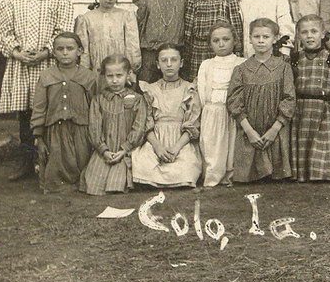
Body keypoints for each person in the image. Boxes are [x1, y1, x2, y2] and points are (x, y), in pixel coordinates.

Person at [0, 0, 74, 180]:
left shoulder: (59, 1)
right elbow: (4, 35)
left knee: (51, 113)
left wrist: (44, 52)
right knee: (26, 116)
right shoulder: (10, 3)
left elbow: (63, 31)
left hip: (48, 64)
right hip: (21, 66)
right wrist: (18, 53)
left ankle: (51, 163)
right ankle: (27, 163)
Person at [227, 18, 295, 183]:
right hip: (250, 130)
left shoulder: (283, 67)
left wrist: (274, 129)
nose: (261, 40)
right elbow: (234, 103)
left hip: (275, 130)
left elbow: (289, 99)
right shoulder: (241, 70)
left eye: (266, 36)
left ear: (275, 39)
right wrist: (249, 132)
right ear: (249, 39)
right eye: (256, 36)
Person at [30, 32, 97, 193]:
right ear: (54, 52)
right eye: (60, 49)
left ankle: (80, 186)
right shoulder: (47, 76)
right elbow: (39, 107)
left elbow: (95, 105)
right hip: (55, 130)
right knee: (56, 160)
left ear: (79, 51)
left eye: (70, 48)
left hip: (81, 129)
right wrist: (38, 134)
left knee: (81, 159)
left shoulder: (88, 76)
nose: (65, 52)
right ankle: (56, 187)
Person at [131, 44, 203, 189]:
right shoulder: (150, 89)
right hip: (156, 139)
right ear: (158, 64)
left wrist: (176, 148)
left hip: (181, 139)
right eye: (164, 60)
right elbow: (147, 122)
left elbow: (192, 123)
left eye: (174, 60)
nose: (169, 64)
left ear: (181, 63)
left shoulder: (189, 89)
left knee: (187, 167)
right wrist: (157, 147)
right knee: (142, 163)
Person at [79, 54, 147, 195]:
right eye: (110, 76)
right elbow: (94, 128)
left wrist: (125, 148)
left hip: (126, 151)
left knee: (117, 183)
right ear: (104, 76)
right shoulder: (98, 100)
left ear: (128, 74)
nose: (114, 80)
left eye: (119, 75)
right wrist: (103, 150)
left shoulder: (137, 99)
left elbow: (139, 127)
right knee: (93, 185)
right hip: (104, 150)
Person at [290, 14, 330, 183]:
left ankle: (322, 174)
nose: (309, 36)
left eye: (314, 31)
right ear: (298, 35)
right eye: (304, 32)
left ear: (322, 34)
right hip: (301, 110)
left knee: (322, 144)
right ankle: (303, 174)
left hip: (324, 109)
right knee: (303, 144)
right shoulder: (294, 59)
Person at [195, 22, 245, 187]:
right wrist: (208, 109)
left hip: (232, 111)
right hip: (212, 110)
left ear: (234, 41)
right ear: (210, 43)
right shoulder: (207, 64)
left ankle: (230, 176)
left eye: (226, 39)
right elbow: (202, 90)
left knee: (231, 145)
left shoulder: (241, 63)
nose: (221, 44)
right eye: (216, 40)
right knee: (212, 146)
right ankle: (212, 178)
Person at [181, 0, 244, 82]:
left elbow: (236, 29)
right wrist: (187, 55)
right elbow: (188, 32)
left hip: (223, 50)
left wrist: (237, 52)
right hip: (199, 51)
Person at [135, 0, 188, 83]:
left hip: (176, 54)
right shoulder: (146, 2)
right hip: (151, 55)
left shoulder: (183, 0)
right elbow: (139, 31)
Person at [76, 0, 141, 75]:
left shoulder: (126, 16)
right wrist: (85, 70)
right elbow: (84, 48)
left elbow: (132, 45)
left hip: (120, 66)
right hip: (97, 68)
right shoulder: (86, 18)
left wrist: (132, 67)